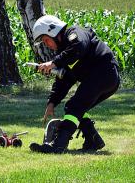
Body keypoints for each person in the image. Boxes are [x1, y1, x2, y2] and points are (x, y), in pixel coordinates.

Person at [29, 15, 120, 154]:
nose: (46, 44)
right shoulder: (64, 52)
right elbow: (65, 79)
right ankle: (93, 140)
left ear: (53, 31)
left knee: (74, 106)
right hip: (105, 78)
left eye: (46, 40)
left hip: (103, 73)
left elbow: (79, 47)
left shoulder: (74, 33)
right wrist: (52, 102)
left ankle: (58, 145)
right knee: (77, 107)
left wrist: (53, 63)